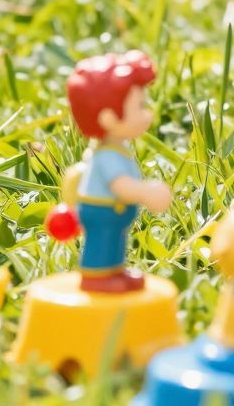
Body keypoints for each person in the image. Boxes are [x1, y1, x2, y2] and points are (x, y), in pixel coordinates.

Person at [65, 50, 172, 295]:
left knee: (114, 242)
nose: (148, 114)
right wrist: (147, 192)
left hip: (112, 211)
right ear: (109, 119)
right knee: (102, 244)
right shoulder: (107, 156)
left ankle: (114, 271)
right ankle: (95, 276)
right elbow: (121, 186)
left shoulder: (116, 147)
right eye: (140, 106)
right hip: (101, 210)